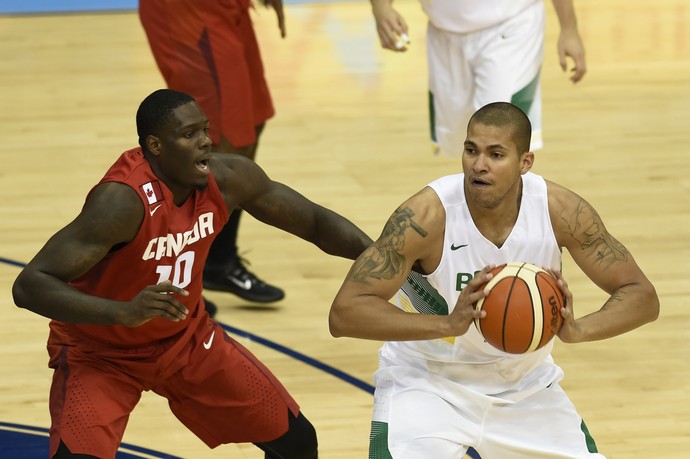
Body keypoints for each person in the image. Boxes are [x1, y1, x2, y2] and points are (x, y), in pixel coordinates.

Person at [12, 89, 372, 459]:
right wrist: (123, 313)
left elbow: (313, 221)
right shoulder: (121, 201)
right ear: (155, 145)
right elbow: (30, 285)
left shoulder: (228, 178)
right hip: (102, 353)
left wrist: (385, 259)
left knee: (297, 442)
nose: (205, 142)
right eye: (189, 135)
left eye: (205, 130)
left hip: (187, 341)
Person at [329, 102, 659, 458]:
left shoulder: (562, 211)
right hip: (427, 383)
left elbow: (642, 295)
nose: (479, 165)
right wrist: (448, 323)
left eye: (495, 154)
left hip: (526, 387)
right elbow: (344, 313)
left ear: (525, 162)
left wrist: (579, 330)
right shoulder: (426, 216)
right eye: (471, 150)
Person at [139, 0, 288, 311]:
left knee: (251, 120)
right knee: (215, 138)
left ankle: (217, 263)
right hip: (188, 12)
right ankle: (172, 271)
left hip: (229, 8)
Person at [370, 0, 587, 156]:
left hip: (512, 25)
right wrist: (381, 7)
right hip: (444, 31)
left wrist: (569, 28)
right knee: (462, 143)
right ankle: (475, 214)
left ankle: (510, 217)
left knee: (499, 137)